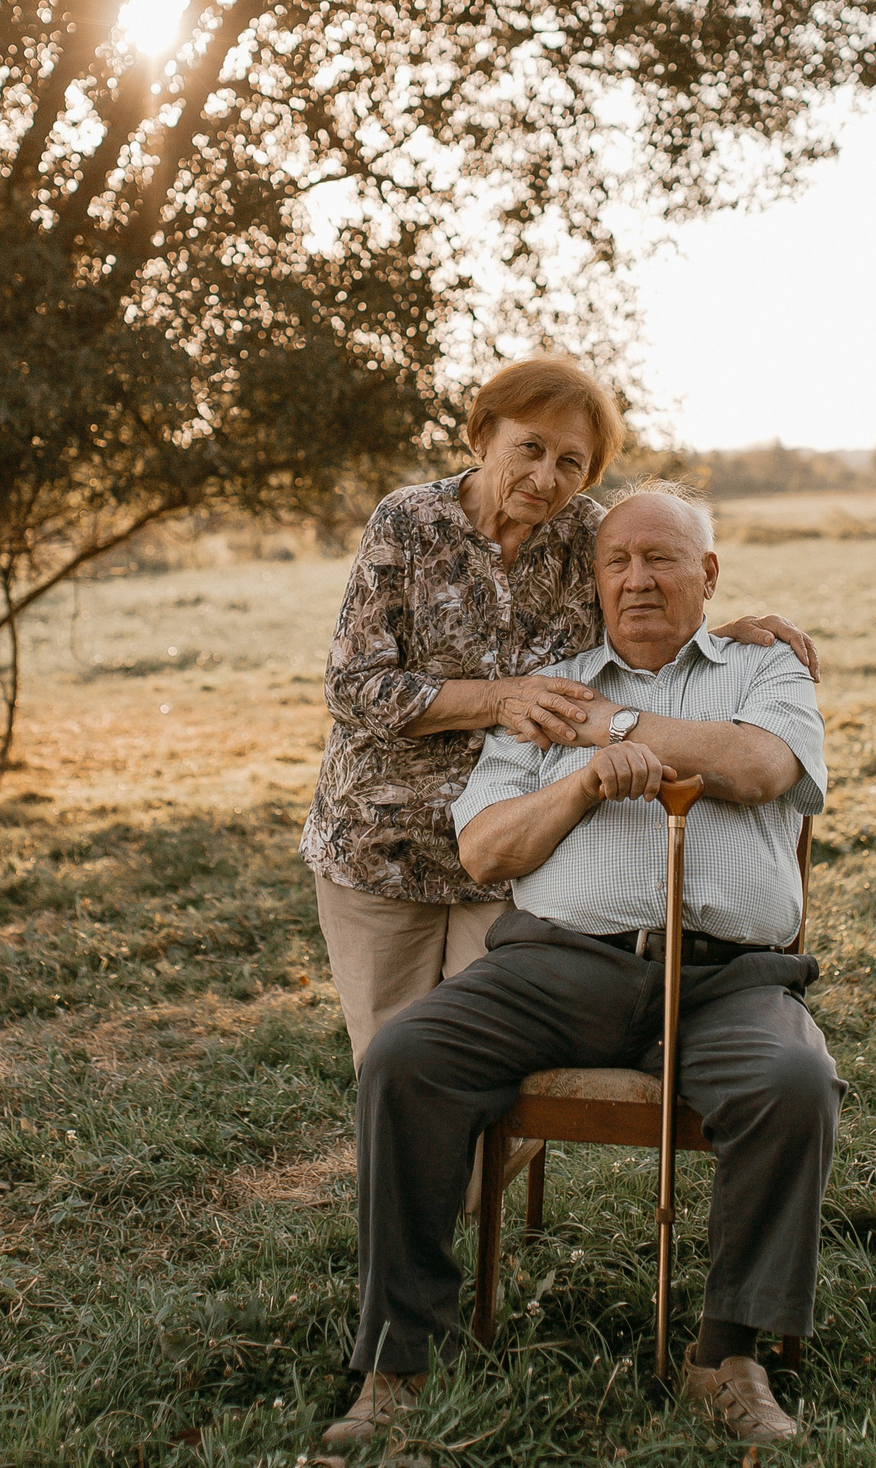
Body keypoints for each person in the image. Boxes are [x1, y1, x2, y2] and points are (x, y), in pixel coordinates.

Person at [323, 487, 838, 1447]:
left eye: (664, 558)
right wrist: (586, 782)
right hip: (557, 968)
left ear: (709, 575)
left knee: (794, 1080)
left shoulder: (765, 668)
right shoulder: (550, 688)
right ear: (595, 580)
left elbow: (764, 768)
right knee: (405, 1057)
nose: (639, 578)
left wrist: (618, 728)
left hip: (731, 978)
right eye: (618, 562)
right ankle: (396, 1362)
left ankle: (728, 1355)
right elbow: (483, 851)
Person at [300, 357, 815, 1068]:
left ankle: (480, 1189)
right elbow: (354, 684)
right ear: (484, 434)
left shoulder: (585, 536)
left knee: (488, 1073)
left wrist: (720, 629)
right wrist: (498, 696)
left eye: (572, 461)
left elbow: (642, 606)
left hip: (510, 839)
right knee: (395, 1057)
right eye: (531, 448)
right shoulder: (409, 521)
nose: (547, 478)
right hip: (382, 843)